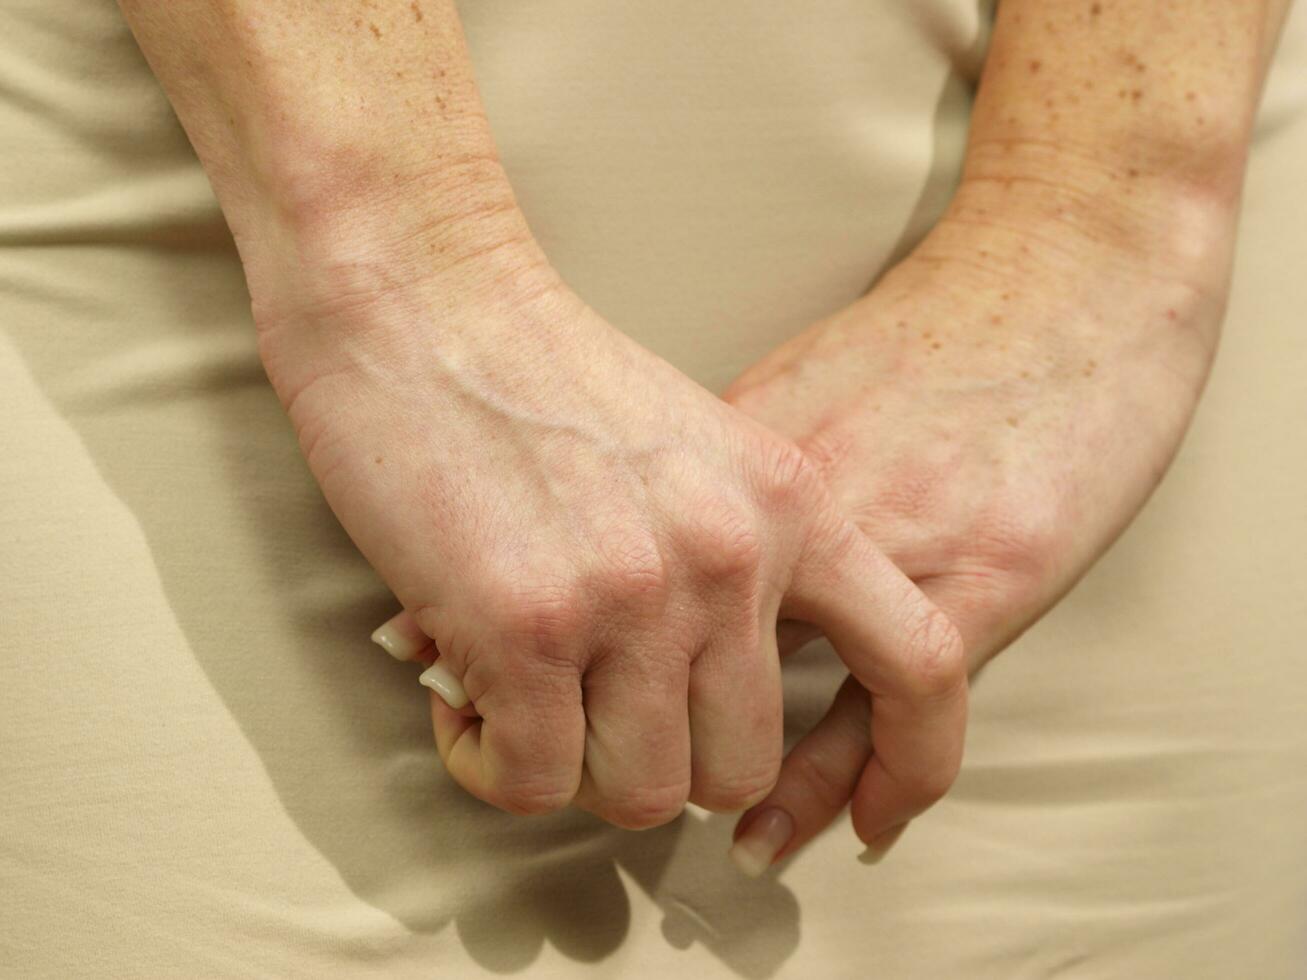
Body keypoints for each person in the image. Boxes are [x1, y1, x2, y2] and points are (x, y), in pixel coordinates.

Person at [2, 1, 1304, 976]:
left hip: (1115, 196)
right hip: (225, 147)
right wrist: (395, 261)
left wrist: (1103, 220)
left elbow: (1118, 205)